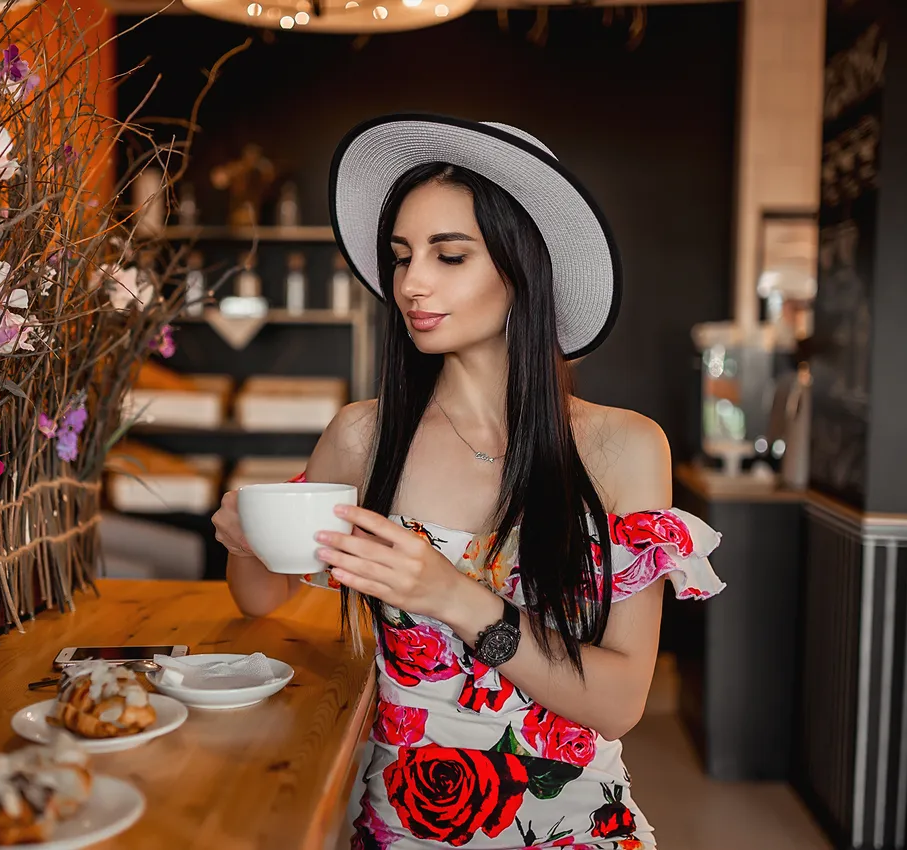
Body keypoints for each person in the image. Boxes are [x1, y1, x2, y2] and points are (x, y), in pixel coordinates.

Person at [213, 114, 725, 850]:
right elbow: (263, 597)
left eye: (449, 255)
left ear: (522, 269)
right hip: (406, 828)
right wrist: (245, 539)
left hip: (576, 824)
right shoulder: (363, 437)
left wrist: (452, 597)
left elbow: (618, 704)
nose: (411, 283)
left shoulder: (626, 447)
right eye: (401, 257)